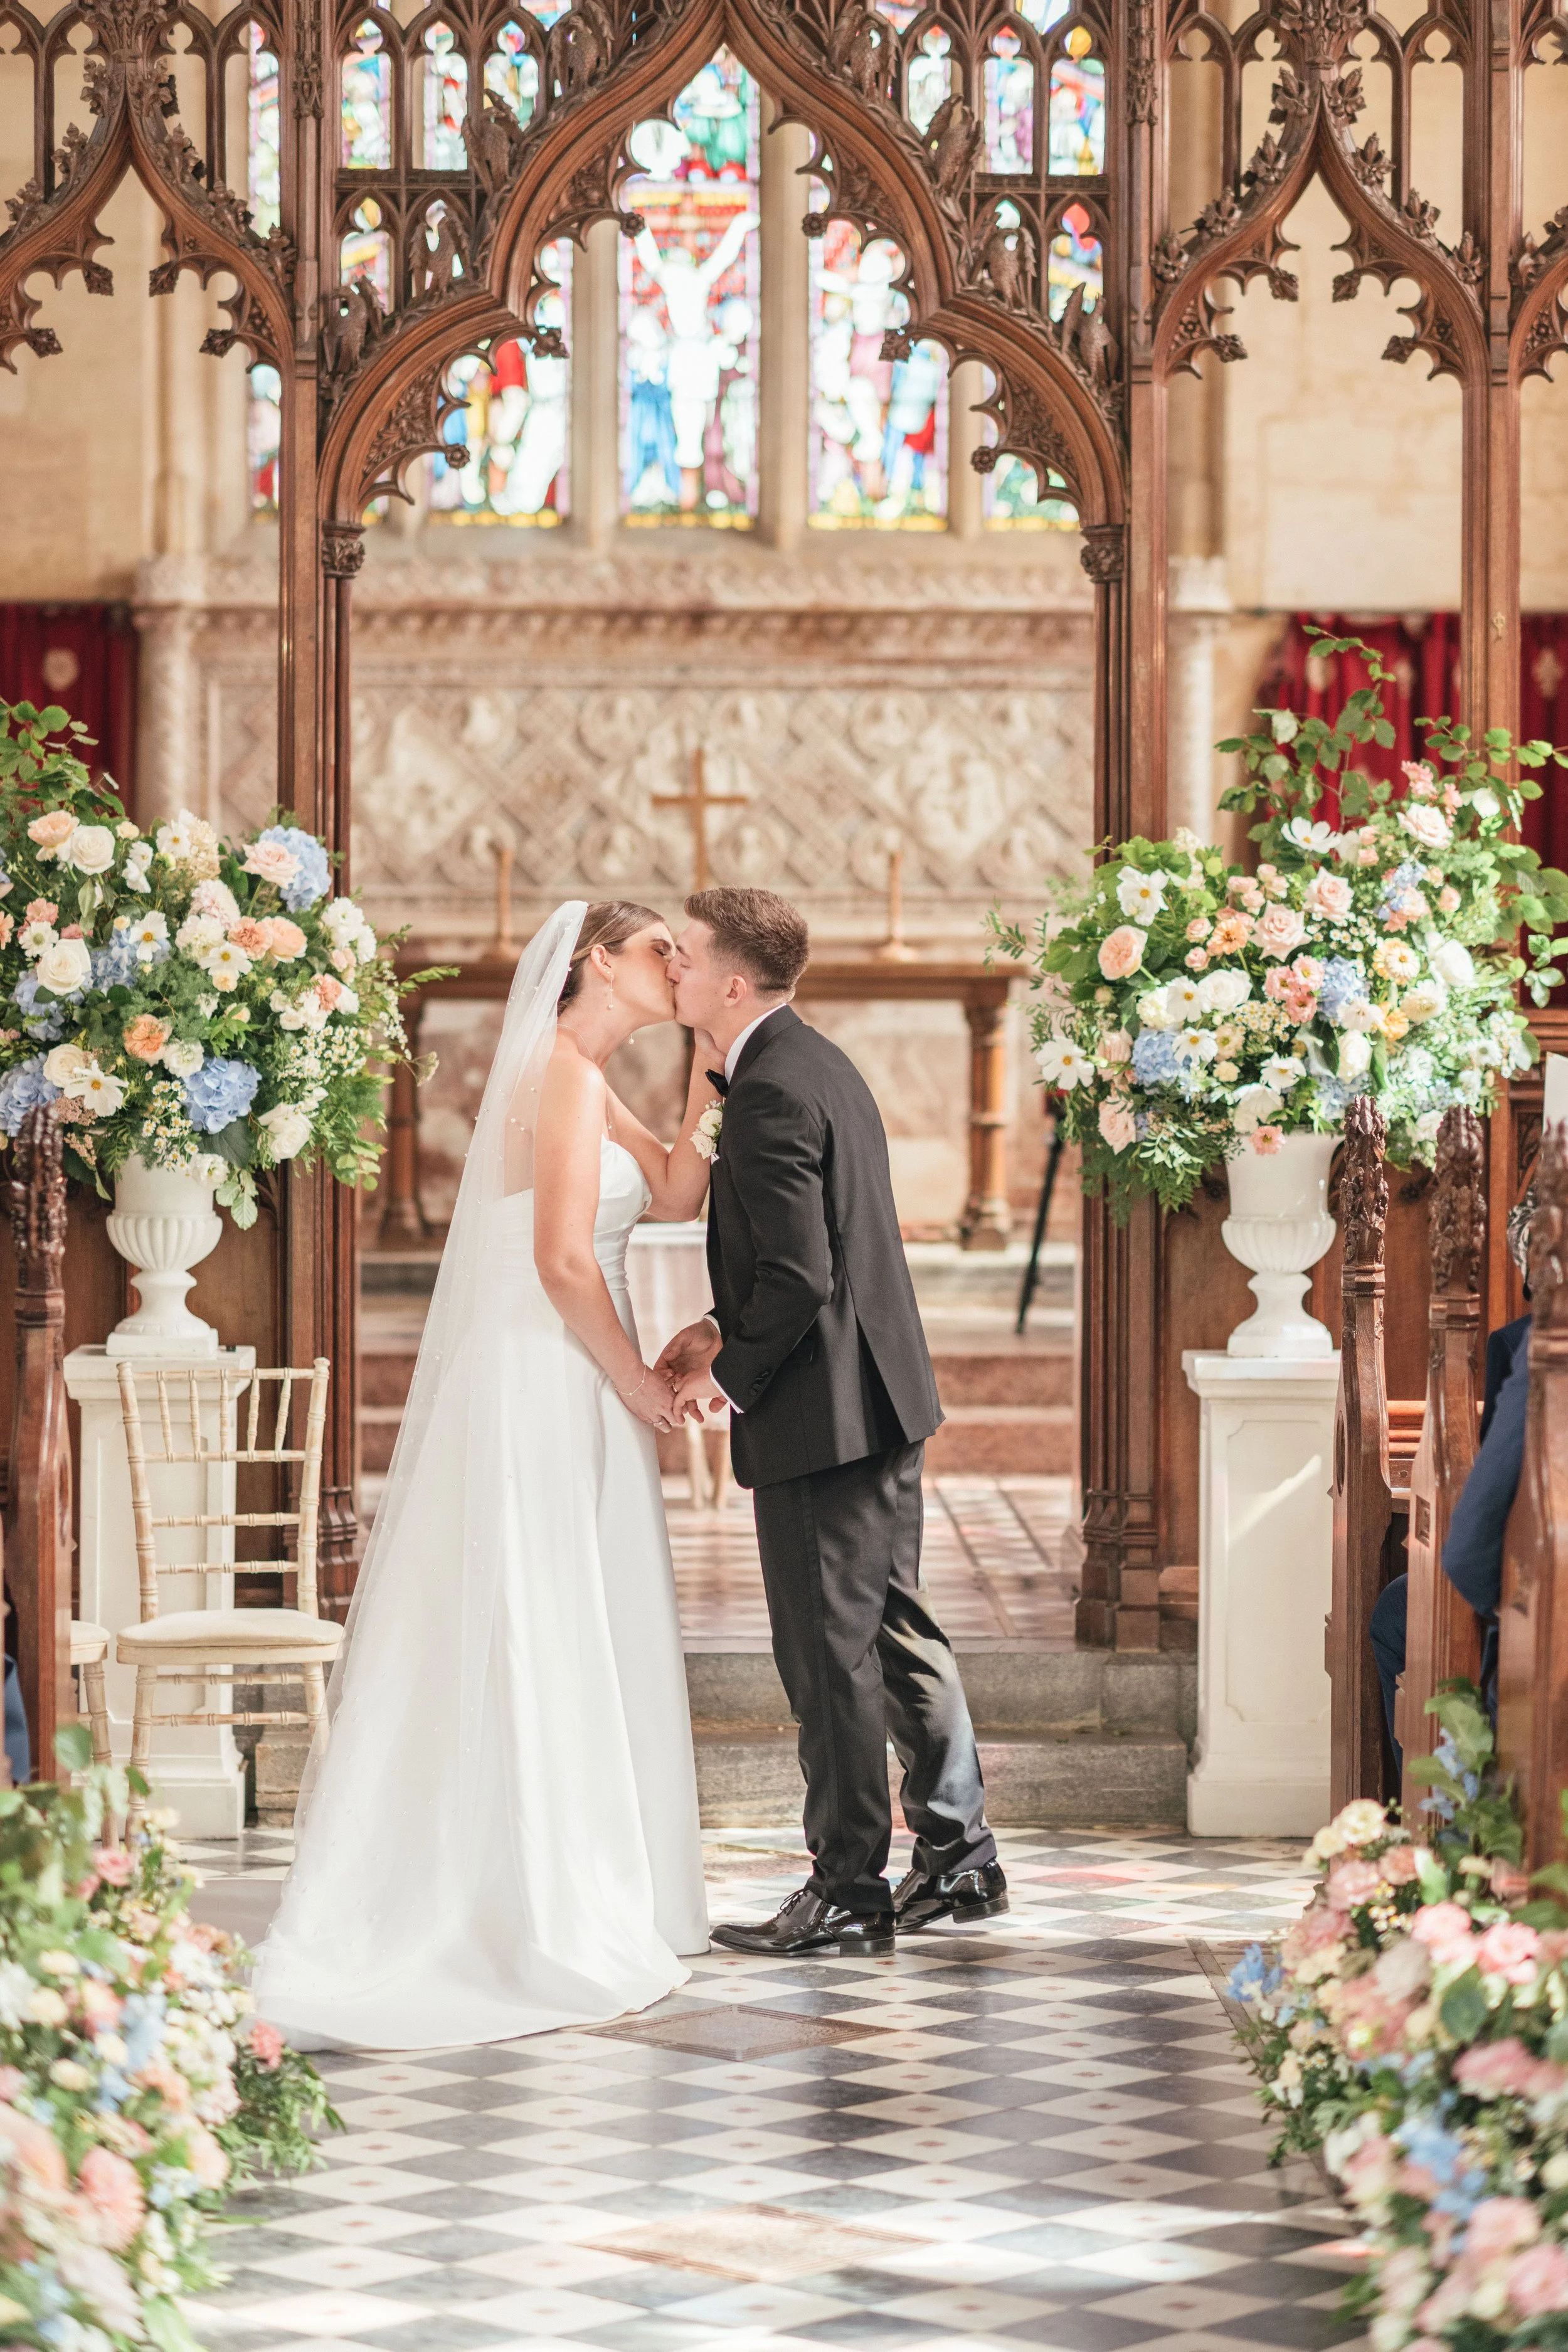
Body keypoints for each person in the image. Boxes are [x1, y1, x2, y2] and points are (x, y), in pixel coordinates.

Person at [254, 902, 717, 2050]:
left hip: (573, 1369)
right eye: (659, 947)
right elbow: (564, 1264)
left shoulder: (584, 1071)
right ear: (599, 961)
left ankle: (603, 1873)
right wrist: (638, 1385)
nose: (676, 964)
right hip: (549, 1369)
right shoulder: (559, 1074)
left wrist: (709, 1063)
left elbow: (668, 1194)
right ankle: (534, 1894)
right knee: (538, 1609)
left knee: (576, 1607)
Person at [657, 887, 1004, 1956]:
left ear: (729, 982)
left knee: (829, 1656)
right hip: (882, 1394)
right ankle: (960, 1859)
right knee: (896, 1630)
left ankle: (848, 1888)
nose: (671, 969)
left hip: (826, 1410)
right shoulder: (815, 1060)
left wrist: (731, 1370)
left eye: (687, 956)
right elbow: (822, 1256)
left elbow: (803, 1274)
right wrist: (722, 1328)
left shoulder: (767, 1090)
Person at [1371, 1300, 1531, 1771]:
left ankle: (1440, 1827)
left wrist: (1505, 1611)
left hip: (1540, 1606)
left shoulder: (1533, 1341)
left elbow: (1472, 1548)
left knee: (1401, 1610)